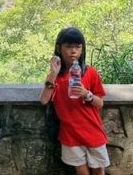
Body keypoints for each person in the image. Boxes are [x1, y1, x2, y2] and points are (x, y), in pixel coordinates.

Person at [39, 26, 110, 175]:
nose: (73, 51)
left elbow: (100, 103)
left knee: (98, 171)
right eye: (69, 46)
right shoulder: (55, 77)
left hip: (93, 131)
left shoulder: (90, 72)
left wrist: (87, 94)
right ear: (59, 48)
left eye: (78, 47)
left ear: (82, 49)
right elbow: (44, 100)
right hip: (70, 134)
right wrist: (53, 73)